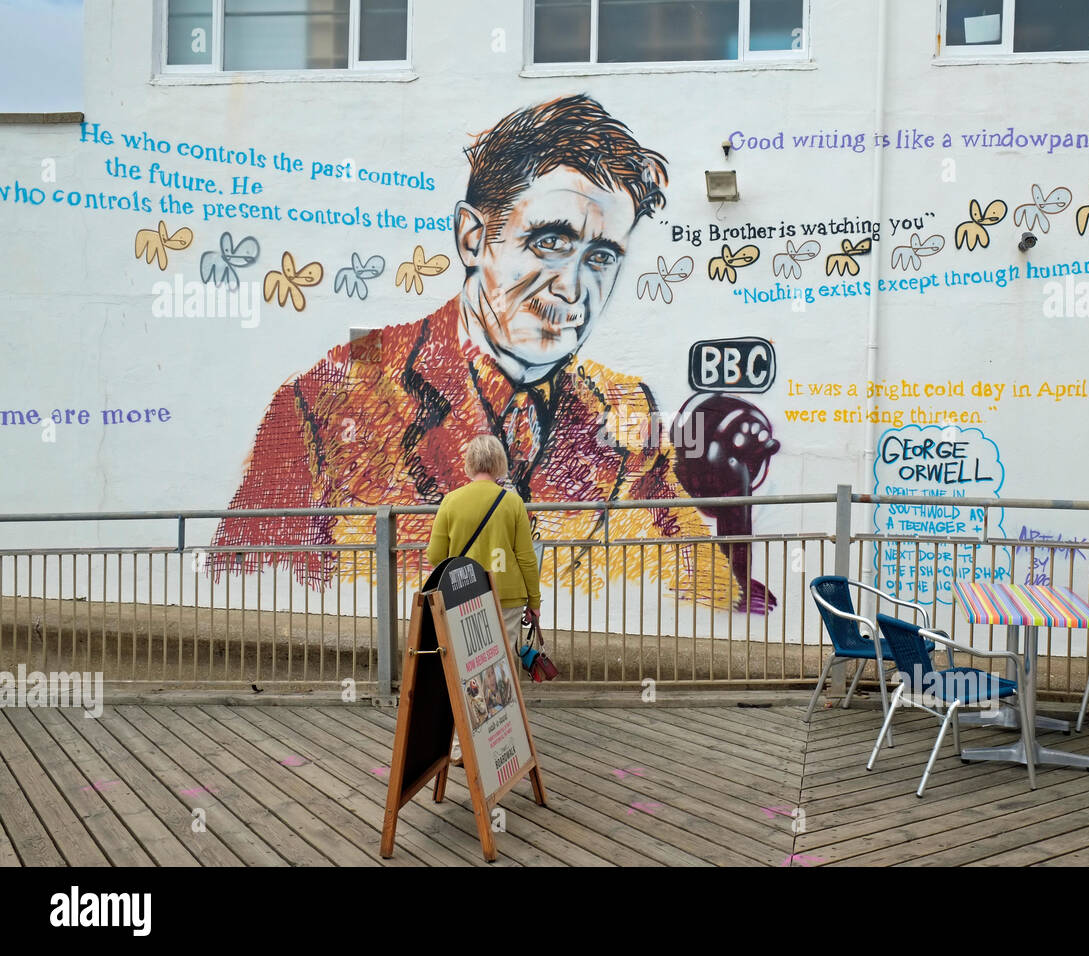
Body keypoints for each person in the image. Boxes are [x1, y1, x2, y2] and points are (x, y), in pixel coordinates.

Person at [209, 94, 769, 612]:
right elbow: (248, 588)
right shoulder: (328, 400)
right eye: (551, 242)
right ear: (472, 238)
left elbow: (700, 580)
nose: (572, 289)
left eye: (601, 257)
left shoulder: (625, 408)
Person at [425, 435, 540, 648]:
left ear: (470, 463)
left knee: (469, 660)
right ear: (499, 463)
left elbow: (435, 556)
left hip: (463, 595)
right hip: (507, 596)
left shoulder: (451, 501)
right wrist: (534, 601)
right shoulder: (513, 503)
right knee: (502, 662)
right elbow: (526, 559)